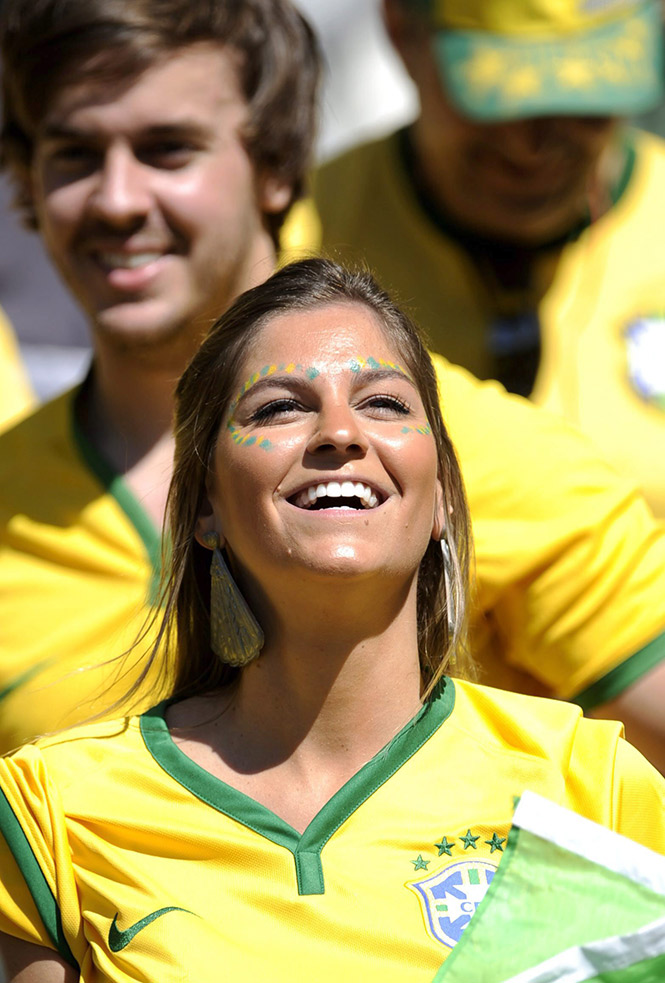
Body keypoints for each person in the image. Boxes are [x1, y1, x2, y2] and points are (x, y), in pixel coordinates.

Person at [1, 0, 665, 771]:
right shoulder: (10, 500)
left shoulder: (481, 457)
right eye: (75, 155)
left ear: (277, 165)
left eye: (168, 151)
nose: (117, 200)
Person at [0, 258, 663, 983]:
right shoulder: (54, 811)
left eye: (382, 403)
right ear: (203, 507)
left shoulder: (587, 786)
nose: (339, 432)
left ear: (443, 491)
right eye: (278, 408)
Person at [314, 0, 665, 520]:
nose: (530, 147)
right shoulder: (292, 240)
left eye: (587, 103)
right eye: (495, 100)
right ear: (402, 32)